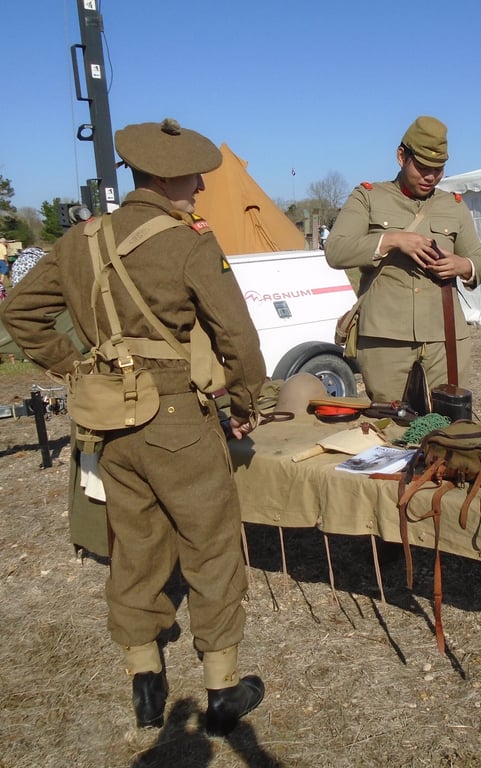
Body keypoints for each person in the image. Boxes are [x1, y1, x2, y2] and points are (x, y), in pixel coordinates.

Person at [0, 117, 267, 736]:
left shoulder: (80, 240)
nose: (202, 186)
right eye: (195, 177)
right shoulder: (190, 243)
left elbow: (22, 313)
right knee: (211, 548)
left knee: (135, 548)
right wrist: (247, 401)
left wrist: (78, 368)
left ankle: (146, 681)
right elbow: (238, 337)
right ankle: (223, 690)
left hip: (109, 421)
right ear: (169, 179)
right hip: (177, 418)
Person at [324, 115, 481, 401]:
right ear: (402, 157)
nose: (430, 177)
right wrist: (392, 240)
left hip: (444, 338)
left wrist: (463, 265)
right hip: (385, 339)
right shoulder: (368, 198)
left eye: (438, 169)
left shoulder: (453, 206)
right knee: (390, 421)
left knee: (446, 420)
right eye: (423, 167)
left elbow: (480, 260)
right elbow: (336, 251)